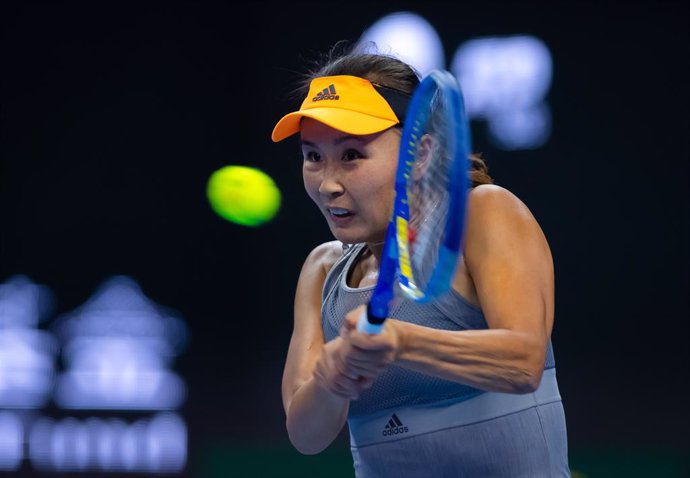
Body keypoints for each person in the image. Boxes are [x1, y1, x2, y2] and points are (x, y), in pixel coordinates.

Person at [271, 42, 570, 478]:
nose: (327, 183)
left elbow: (523, 362)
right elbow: (305, 436)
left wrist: (401, 342)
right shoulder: (321, 271)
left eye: (352, 155)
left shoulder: (484, 213)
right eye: (313, 157)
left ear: (421, 153)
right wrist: (330, 380)